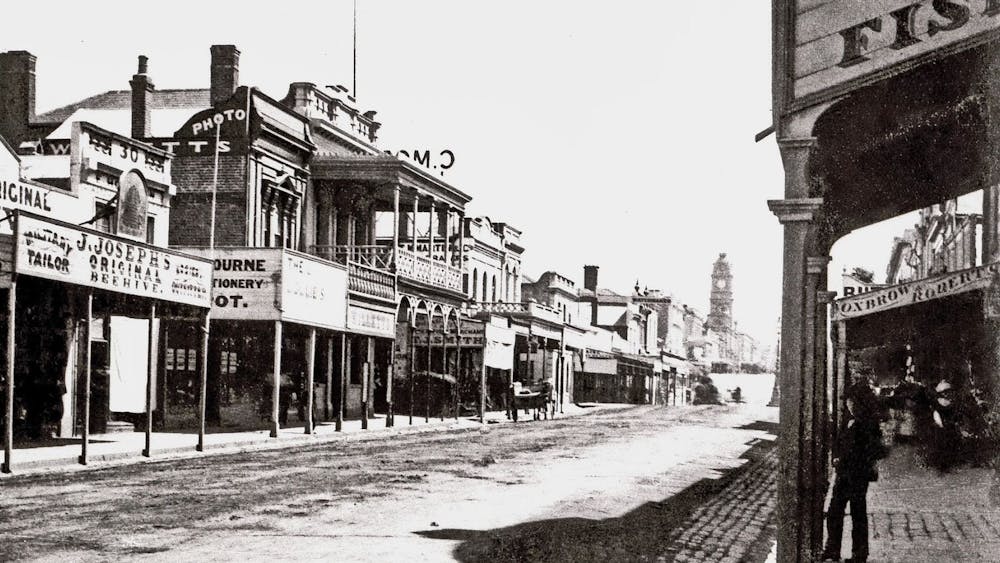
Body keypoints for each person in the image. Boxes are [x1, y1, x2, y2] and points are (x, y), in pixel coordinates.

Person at [822, 383, 886, 563]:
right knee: (837, 511)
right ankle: (833, 549)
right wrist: (836, 456)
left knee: (856, 513)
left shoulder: (867, 423)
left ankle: (858, 554)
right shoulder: (849, 418)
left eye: (851, 401)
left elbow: (870, 449)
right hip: (845, 473)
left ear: (859, 402)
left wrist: (845, 458)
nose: (848, 404)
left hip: (857, 474)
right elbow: (838, 441)